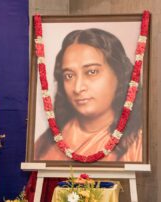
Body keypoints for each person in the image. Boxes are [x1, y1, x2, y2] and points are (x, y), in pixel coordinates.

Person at [35, 28, 143, 162]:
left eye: (92, 72)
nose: (78, 88)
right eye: (69, 76)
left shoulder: (137, 142)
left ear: (119, 74)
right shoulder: (46, 143)